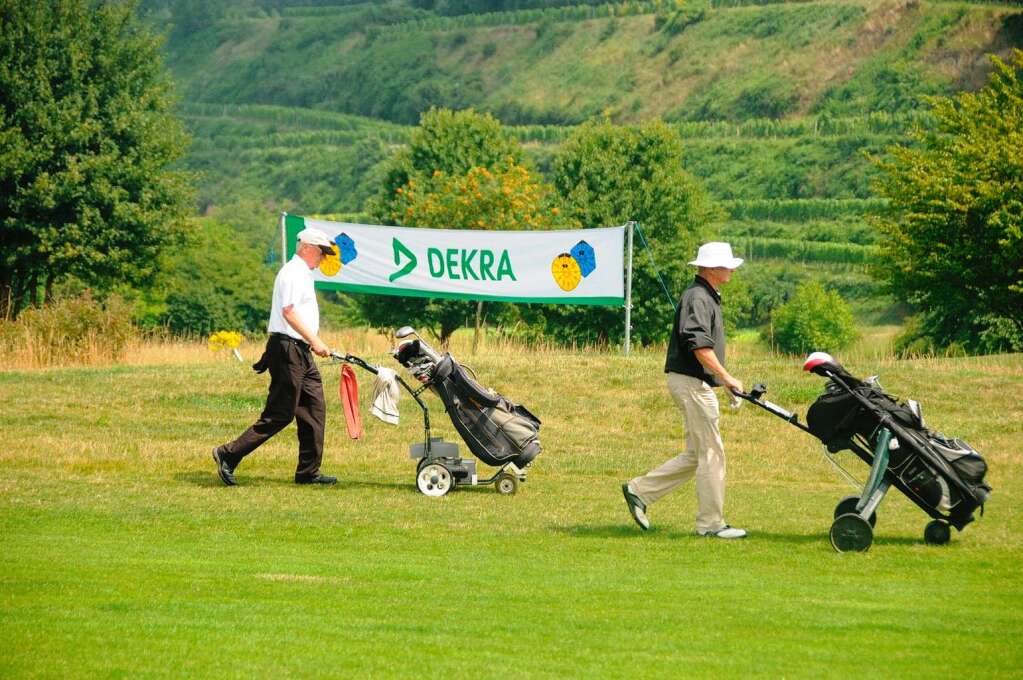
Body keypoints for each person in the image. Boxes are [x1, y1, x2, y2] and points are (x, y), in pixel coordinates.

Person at [621, 242, 747, 538]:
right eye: (726, 265)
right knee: (712, 454)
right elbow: (699, 345)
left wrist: (721, 381)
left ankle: (639, 490)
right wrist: (727, 378)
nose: (730, 270)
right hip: (691, 383)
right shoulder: (698, 298)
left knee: (696, 454)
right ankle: (710, 525)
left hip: (694, 382)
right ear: (713, 268)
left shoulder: (705, 296)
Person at [212, 227, 340, 486]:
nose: (323, 258)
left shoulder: (303, 274)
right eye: (321, 252)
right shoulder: (293, 273)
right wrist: (315, 340)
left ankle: (308, 473)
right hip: (289, 350)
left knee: (314, 410)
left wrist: (310, 343)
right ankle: (227, 454)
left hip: (300, 351)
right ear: (306, 248)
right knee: (280, 413)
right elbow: (288, 312)